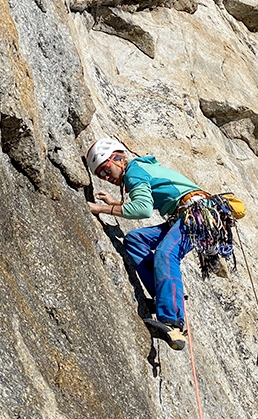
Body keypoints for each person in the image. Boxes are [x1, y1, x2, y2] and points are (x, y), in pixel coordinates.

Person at [85, 138, 211, 351]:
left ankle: (171, 322)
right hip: (187, 214)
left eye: (106, 169)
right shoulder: (141, 169)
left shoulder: (134, 172)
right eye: (101, 175)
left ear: (119, 158)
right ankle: (163, 296)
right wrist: (116, 204)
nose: (106, 178)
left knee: (165, 253)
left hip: (195, 214)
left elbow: (142, 209)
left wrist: (99, 209)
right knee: (136, 240)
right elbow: (149, 202)